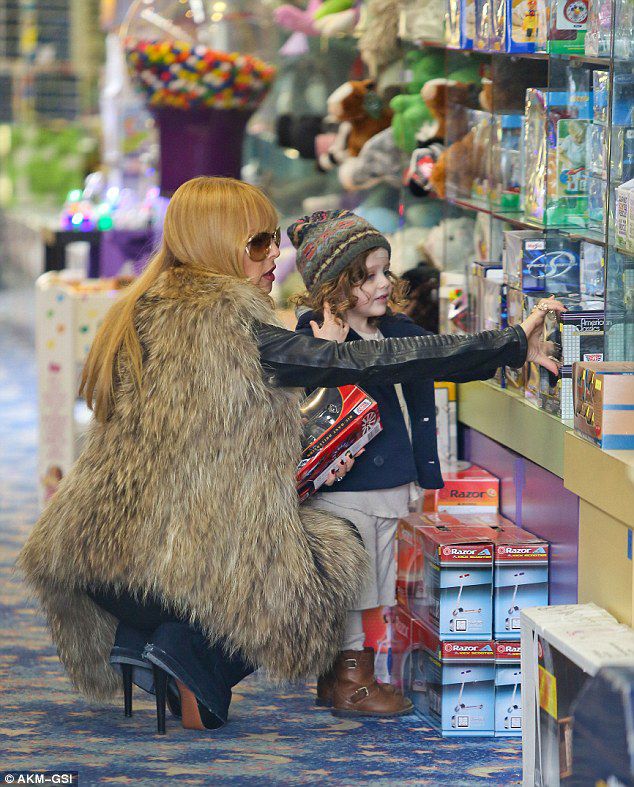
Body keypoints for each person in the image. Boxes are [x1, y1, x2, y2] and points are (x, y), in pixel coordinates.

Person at [18, 178, 564, 735]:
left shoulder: (141, 310)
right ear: (214, 244)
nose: (275, 256)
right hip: (176, 561)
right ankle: (191, 657)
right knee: (337, 548)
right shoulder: (231, 328)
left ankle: (148, 641)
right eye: (259, 244)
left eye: (274, 240)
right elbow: (378, 361)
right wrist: (509, 343)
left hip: (101, 552)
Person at [290, 209, 541, 717]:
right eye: (368, 276)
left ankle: (338, 675)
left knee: (373, 580)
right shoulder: (313, 338)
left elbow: (450, 356)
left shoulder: (395, 330)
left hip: (388, 481)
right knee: (355, 582)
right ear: (334, 287)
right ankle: (352, 681)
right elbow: (300, 405)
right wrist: (326, 352)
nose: (384, 283)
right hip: (346, 487)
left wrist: (514, 347)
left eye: (385, 270)